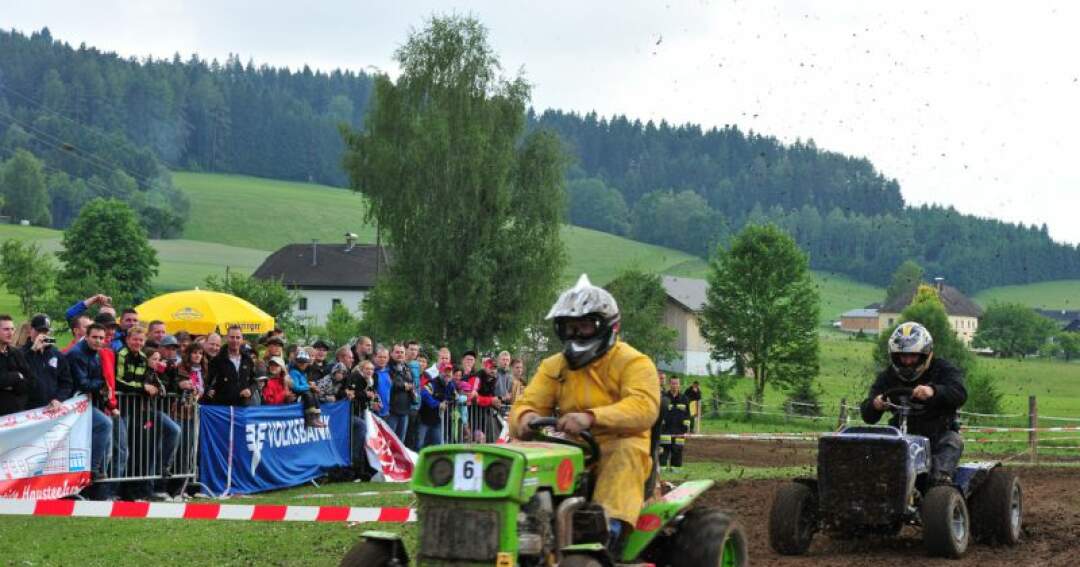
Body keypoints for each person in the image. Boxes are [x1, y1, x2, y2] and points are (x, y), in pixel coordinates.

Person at [511, 274, 660, 551]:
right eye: (570, 327)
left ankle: (606, 535)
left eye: (584, 326)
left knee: (623, 453)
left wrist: (591, 417)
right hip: (569, 448)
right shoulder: (554, 366)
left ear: (607, 327)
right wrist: (525, 419)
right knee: (519, 454)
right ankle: (516, 532)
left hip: (620, 444)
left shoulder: (634, 362)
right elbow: (527, 402)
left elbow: (644, 407)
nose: (576, 334)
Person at [861, 322, 967, 486]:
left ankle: (940, 485)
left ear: (925, 354)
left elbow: (959, 393)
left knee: (952, 441)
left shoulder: (943, 369)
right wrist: (875, 405)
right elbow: (868, 415)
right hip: (899, 437)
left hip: (937, 436)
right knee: (872, 452)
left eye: (913, 356)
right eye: (903, 356)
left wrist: (934, 391)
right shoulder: (888, 377)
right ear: (895, 356)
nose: (908, 361)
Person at [22, 314, 73, 410]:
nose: (42, 335)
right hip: (28, 410)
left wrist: (58, 399)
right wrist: (33, 350)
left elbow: (66, 382)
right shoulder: (21, 352)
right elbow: (21, 371)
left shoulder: (56, 354)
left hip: (51, 409)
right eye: (39, 331)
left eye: (45, 331)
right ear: (31, 331)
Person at [205, 325, 256, 406]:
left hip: (242, 408)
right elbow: (207, 382)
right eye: (232, 337)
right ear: (226, 338)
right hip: (222, 409)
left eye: (238, 337)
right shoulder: (217, 360)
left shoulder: (248, 359)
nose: (235, 340)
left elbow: (254, 381)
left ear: (242, 339)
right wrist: (208, 390)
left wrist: (250, 390)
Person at [0, 315, 34, 416]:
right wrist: (17, 376)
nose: (10, 333)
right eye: (6, 329)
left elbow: (31, 382)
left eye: (12, 329)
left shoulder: (16, 353)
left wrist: (13, 385)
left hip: (16, 415)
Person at [418, 362, 455, 449]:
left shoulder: (450, 385)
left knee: (437, 445)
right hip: (424, 419)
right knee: (419, 444)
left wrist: (447, 401)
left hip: (437, 420)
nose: (448, 374)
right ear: (440, 372)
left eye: (450, 372)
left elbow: (455, 396)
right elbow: (424, 395)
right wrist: (438, 404)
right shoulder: (432, 383)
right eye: (445, 371)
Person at [659, 376, 691, 472]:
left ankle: (676, 469)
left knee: (678, 450)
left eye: (676, 383)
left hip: (679, 430)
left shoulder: (684, 398)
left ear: (679, 385)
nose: (675, 385)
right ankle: (662, 469)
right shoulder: (664, 398)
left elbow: (688, 414)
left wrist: (687, 428)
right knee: (664, 450)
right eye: (673, 383)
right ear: (669, 384)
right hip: (666, 429)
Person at [288, 348, 326, 428]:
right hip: (297, 395)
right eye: (300, 362)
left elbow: (305, 385)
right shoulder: (293, 372)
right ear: (296, 362)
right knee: (308, 394)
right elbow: (296, 387)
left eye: (304, 362)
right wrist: (309, 386)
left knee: (314, 394)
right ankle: (310, 419)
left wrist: (312, 387)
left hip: (304, 393)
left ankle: (317, 417)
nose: (302, 364)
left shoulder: (304, 373)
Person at [385, 343, 415, 440]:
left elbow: (412, 383)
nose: (400, 354)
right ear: (391, 354)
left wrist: (408, 386)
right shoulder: (387, 367)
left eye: (402, 352)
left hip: (405, 410)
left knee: (400, 442)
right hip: (391, 411)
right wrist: (404, 386)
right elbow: (390, 384)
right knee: (390, 441)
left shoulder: (406, 367)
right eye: (397, 352)